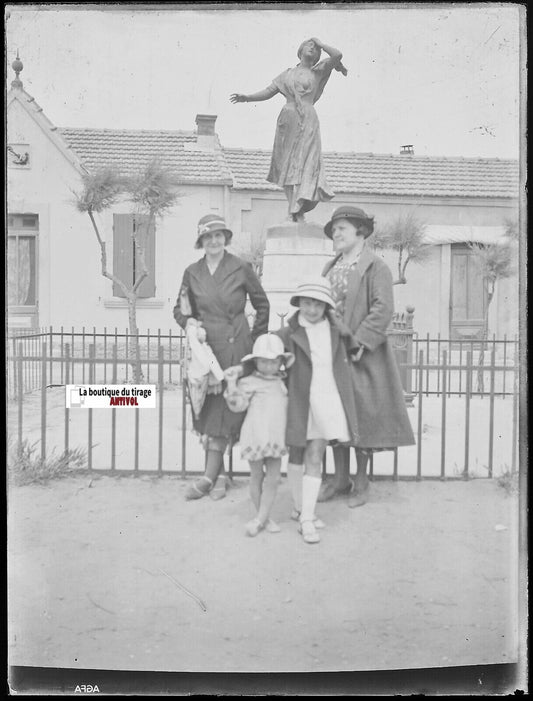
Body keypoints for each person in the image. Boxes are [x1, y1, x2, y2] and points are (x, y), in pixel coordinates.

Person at [318, 205, 415, 507]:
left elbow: (382, 309)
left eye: (342, 228)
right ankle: (339, 478)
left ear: (360, 231)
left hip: (362, 354)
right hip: (332, 352)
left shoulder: (376, 267)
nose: (336, 233)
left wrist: (358, 342)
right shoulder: (331, 266)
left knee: (362, 414)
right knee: (336, 414)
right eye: (334, 229)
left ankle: (361, 481)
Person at [173, 214, 270, 501]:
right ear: (201, 241)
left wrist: (253, 342)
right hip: (205, 352)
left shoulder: (240, 267)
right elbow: (181, 309)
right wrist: (189, 323)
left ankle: (211, 477)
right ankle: (218, 476)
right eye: (208, 237)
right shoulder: (192, 272)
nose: (214, 241)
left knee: (228, 412)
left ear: (225, 239)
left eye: (219, 236)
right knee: (208, 411)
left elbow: (262, 305)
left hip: (234, 348)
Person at [277, 276, 359, 544]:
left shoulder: (337, 331)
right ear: (299, 304)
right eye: (307, 304)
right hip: (300, 399)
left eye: (318, 305)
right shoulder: (288, 334)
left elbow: (352, 349)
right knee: (297, 454)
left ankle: (306, 518)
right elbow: (268, 356)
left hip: (327, 398)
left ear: (327, 308)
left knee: (316, 454)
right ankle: (302, 508)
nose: (312, 310)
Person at [230, 38, 347, 223]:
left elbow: (337, 55)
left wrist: (319, 41)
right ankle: (293, 208)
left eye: (315, 48)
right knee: (286, 164)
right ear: (300, 51)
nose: (313, 48)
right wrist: (247, 98)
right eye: (309, 45)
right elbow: (269, 91)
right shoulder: (287, 75)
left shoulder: (318, 71)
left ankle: (300, 204)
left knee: (306, 160)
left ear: (318, 54)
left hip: (308, 118)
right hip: (288, 119)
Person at [224, 333, 294, 537]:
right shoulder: (249, 381)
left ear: (281, 362)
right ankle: (261, 517)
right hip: (255, 435)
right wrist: (231, 383)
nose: (269, 366)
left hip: (275, 436)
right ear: (255, 361)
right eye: (263, 361)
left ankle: (262, 517)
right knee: (257, 476)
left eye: (274, 361)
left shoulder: (283, 382)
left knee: (273, 478)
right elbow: (237, 406)